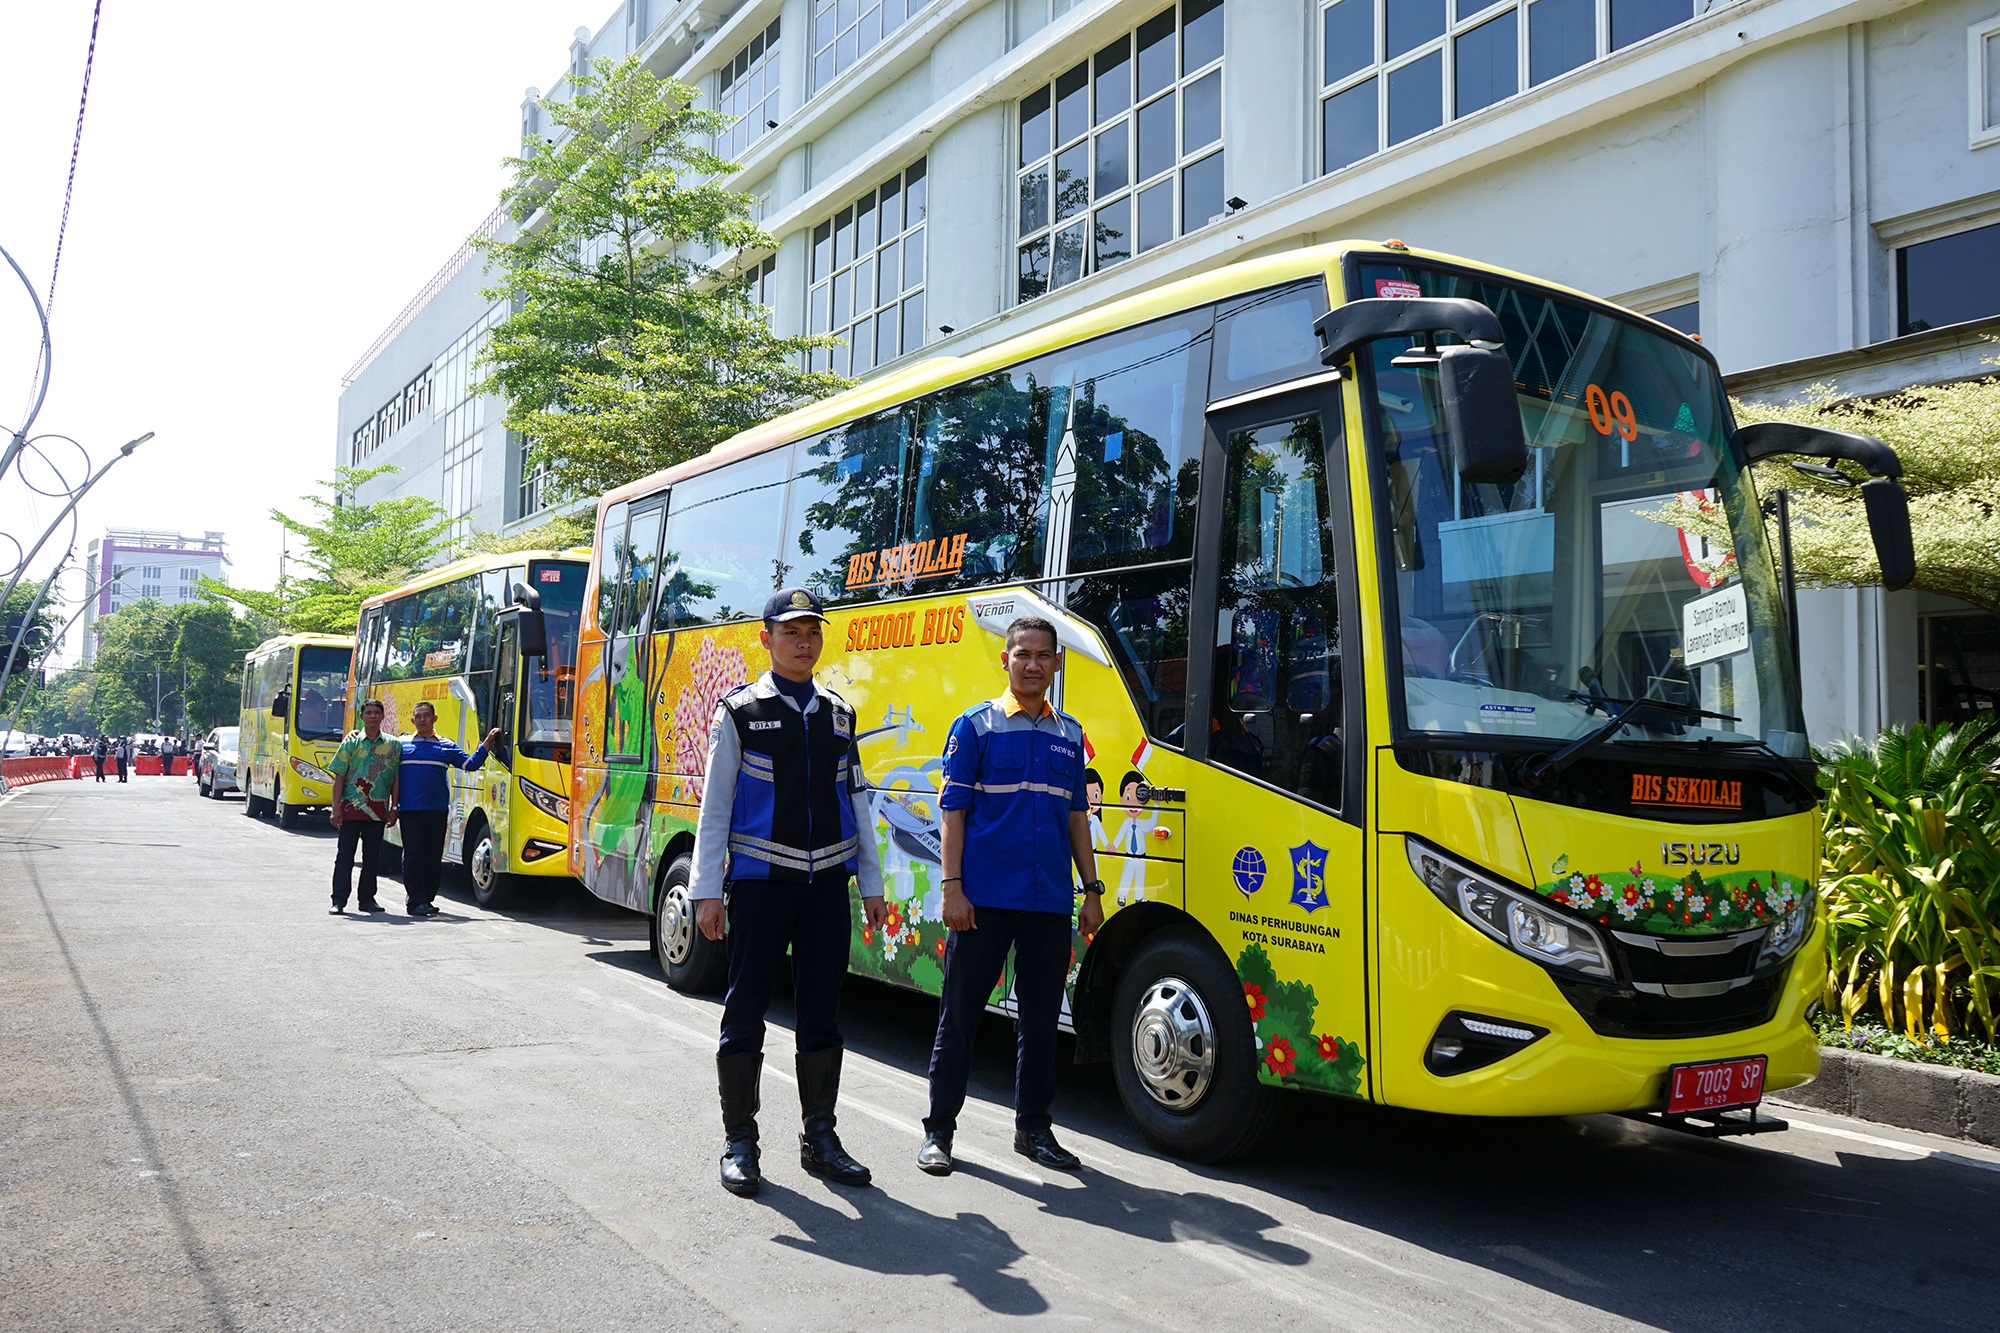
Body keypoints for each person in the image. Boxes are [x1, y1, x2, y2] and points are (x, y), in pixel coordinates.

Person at [691, 587, 888, 1198]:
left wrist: (873, 881)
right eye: (792, 632)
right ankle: (740, 1142)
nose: (804, 643)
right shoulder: (740, 711)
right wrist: (705, 891)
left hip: (827, 884)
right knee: (746, 1010)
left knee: (822, 1016)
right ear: (767, 638)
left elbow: (855, 800)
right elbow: (715, 805)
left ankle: (820, 1137)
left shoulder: (838, 713)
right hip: (760, 884)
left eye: (812, 633)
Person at [918, 615, 1104, 1177]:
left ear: (1056, 663)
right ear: (1005, 659)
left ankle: (1034, 1130)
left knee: (1042, 1022)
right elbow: (953, 816)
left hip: (1048, 901)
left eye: (1043, 655)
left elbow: (1077, 818)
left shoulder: (1070, 735)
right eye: (1022, 653)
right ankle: (939, 1133)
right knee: (961, 1017)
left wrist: (1091, 890)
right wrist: (952, 889)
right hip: (983, 902)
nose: (1032, 664)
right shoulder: (974, 728)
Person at [398, 702, 500, 917]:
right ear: (412, 720)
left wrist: (487, 743)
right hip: (409, 809)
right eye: (418, 716)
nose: (422, 719)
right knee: (413, 854)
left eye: (427, 715)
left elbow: (470, 765)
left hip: (436, 810)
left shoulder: (446, 745)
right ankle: (414, 900)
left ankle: (426, 899)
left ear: (435, 718)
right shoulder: (401, 744)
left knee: (433, 855)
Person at [327, 699, 401, 915]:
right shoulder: (350, 743)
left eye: (376, 712)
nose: (372, 716)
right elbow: (339, 777)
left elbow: (396, 778)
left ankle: (367, 899)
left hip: (377, 810)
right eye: (368, 712)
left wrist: (394, 807)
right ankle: (339, 900)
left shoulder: (394, 745)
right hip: (350, 809)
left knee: (372, 858)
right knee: (345, 856)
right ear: (361, 716)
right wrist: (335, 807)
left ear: (382, 716)